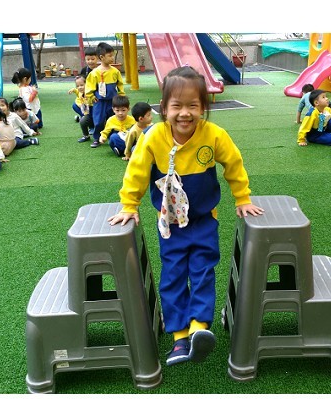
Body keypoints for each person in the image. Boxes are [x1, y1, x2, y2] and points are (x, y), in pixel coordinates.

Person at [107, 66, 264, 366]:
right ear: (164, 108)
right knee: (174, 274)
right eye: (177, 106)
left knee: (203, 270)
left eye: (193, 105)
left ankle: (198, 328)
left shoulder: (213, 135)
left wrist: (242, 197)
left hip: (205, 220)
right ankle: (179, 337)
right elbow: (136, 171)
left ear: (203, 107)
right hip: (171, 224)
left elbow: (234, 163)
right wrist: (129, 205)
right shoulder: (154, 137)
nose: (185, 113)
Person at [85, 42, 125, 147]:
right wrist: (91, 97)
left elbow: (120, 84)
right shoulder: (94, 73)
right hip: (100, 101)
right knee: (99, 120)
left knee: (114, 118)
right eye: (110, 56)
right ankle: (97, 138)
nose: (112, 58)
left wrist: (121, 95)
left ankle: (114, 136)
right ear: (102, 57)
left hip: (113, 101)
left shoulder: (115, 71)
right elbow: (89, 87)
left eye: (112, 55)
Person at [67, 76, 94, 143]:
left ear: (86, 84)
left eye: (82, 85)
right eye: (78, 86)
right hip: (85, 109)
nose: (80, 87)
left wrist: (90, 98)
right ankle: (86, 135)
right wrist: (73, 90)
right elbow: (77, 92)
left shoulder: (89, 92)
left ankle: (93, 128)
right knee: (83, 121)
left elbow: (91, 98)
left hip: (91, 109)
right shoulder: (80, 92)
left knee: (86, 120)